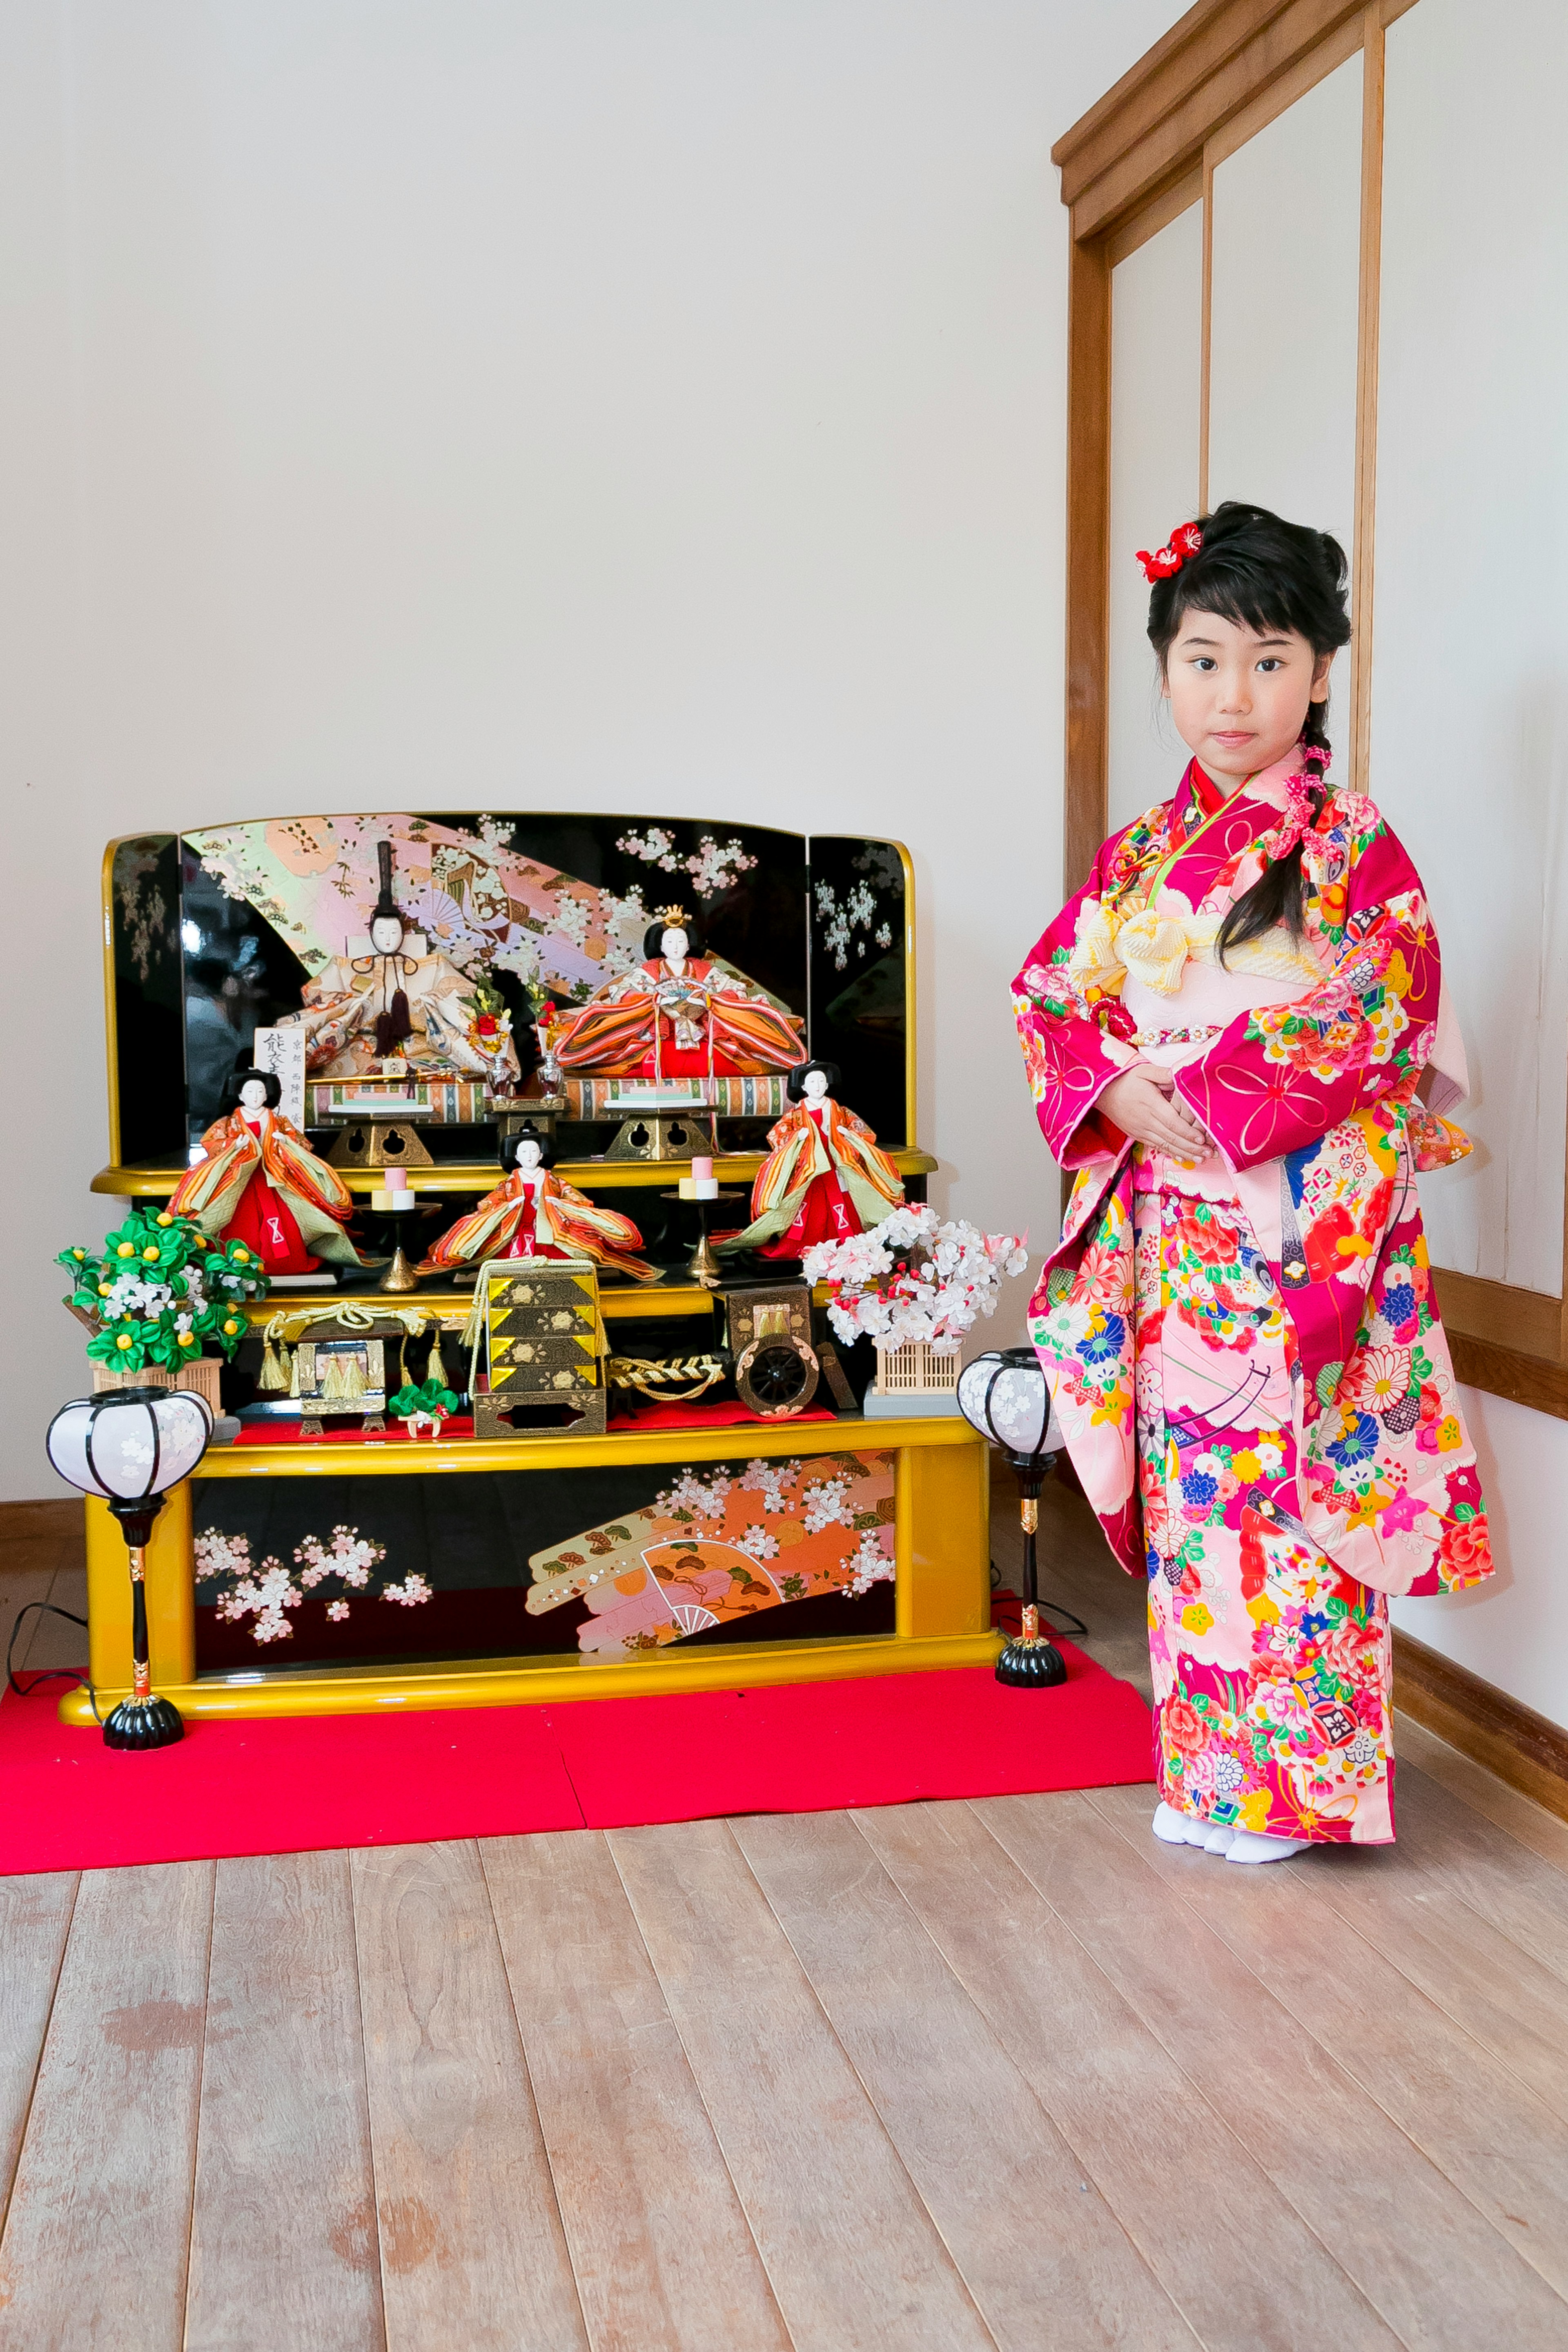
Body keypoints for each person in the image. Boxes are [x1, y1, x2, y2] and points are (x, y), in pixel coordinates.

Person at [1013, 502, 1492, 1863]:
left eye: (1271, 659)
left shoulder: (1354, 847)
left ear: (1323, 673)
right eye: (1205, 657)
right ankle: (1211, 1772)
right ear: (1166, 666)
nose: (1236, 694)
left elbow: (1382, 1007)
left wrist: (1212, 1098)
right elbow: (1054, 990)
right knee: (1195, 1498)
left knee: (1289, 1503)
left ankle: (1301, 1792)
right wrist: (1107, 1084)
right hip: (1173, 1225)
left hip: (1292, 1229)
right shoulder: (1140, 855)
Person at [547, 907, 804, 1081]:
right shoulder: (650, 970)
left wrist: (707, 1001)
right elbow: (625, 994)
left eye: (681, 941)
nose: (676, 947)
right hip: (658, 1033)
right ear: (659, 945)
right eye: (670, 942)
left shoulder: (702, 969)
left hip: (704, 1033)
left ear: (690, 943)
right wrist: (654, 1002)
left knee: (738, 1030)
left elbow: (733, 990)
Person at [170, 1067, 363, 1274]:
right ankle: (232, 1261)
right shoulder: (229, 1122)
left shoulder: (279, 1122)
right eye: (250, 1091)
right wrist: (233, 1146)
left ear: (267, 1095)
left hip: (273, 1175)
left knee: (290, 1219)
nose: (255, 1096)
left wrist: (285, 1142)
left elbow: (302, 1144)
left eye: (260, 1091)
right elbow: (211, 1142)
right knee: (235, 1221)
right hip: (240, 1178)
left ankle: (284, 1260)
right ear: (240, 1095)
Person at [721, 1059, 905, 1260]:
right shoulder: (796, 1114)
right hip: (809, 1166)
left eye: (821, 1081)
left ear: (827, 1085)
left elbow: (861, 1130)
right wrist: (796, 1138)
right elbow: (777, 1135)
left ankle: (846, 1241)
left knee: (842, 1201)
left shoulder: (839, 1111)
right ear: (803, 1087)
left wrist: (848, 1134)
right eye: (812, 1082)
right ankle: (802, 1244)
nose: (817, 1086)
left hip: (835, 1161)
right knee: (809, 1204)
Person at [420, 1128, 657, 1281]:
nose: (530, 1156)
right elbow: (490, 1201)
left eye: (534, 1151)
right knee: (485, 1245)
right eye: (525, 1152)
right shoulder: (512, 1181)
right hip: (518, 1227)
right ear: (517, 1157)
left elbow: (576, 1198)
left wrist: (559, 1202)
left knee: (586, 1250)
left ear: (542, 1155)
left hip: (551, 1228)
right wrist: (509, 1206)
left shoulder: (551, 1179)